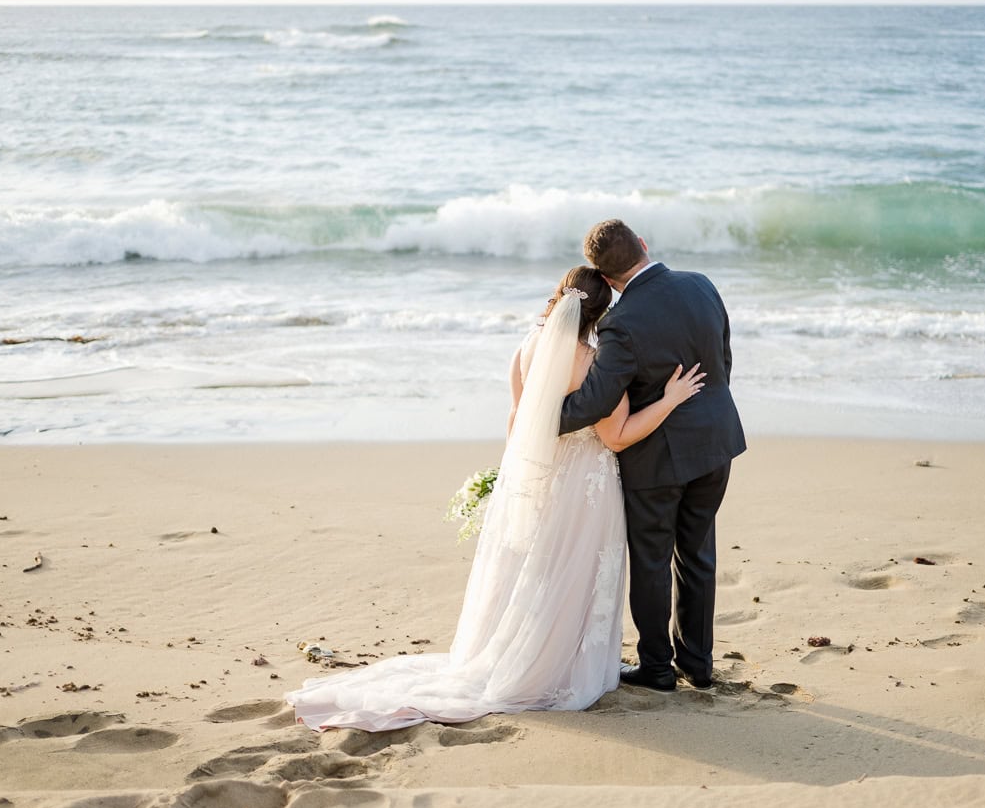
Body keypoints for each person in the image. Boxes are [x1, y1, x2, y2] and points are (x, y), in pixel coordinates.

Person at [285, 265, 705, 731]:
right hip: (586, 487)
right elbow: (618, 436)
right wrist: (669, 399)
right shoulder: (594, 361)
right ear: (603, 313)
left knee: (537, 573)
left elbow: (515, 422)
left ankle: (517, 650)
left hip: (540, 478)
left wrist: (521, 481)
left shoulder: (527, 348)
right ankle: (559, 667)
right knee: (573, 574)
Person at [560, 220, 746, 692]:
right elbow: (723, 358)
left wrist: (542, 418)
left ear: (604, 278)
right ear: (644, 244)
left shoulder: (620, 323)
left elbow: (598, 399)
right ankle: (699, 666)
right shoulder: (701, 285)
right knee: (698, 555)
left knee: (652, 562)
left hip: (657, 460)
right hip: (715, 443)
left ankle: (658, 669)